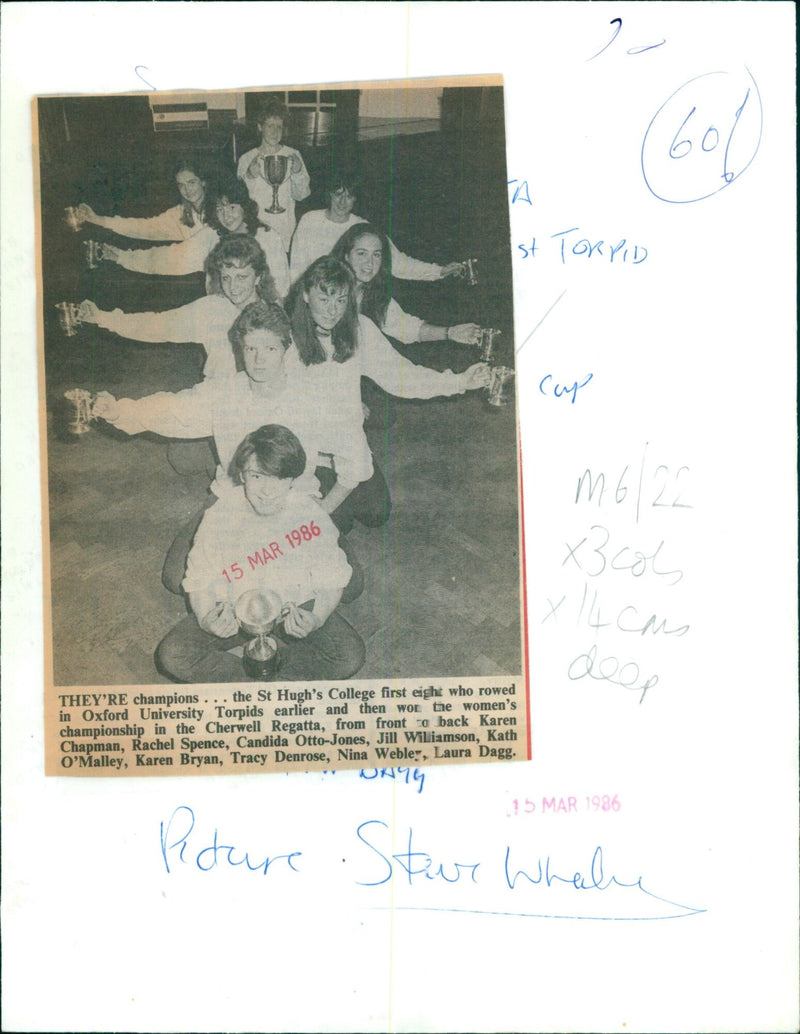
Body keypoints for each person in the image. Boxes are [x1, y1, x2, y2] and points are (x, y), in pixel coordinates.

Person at [90, 302, 323, 591]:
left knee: (297, 579)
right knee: (177, 578)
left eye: (270, 349)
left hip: (289, 502)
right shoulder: (225, 392)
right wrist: (118, 411)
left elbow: (334, 460)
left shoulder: (308, 399)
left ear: (285, 349)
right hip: (234, 497)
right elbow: (173, 408)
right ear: (240, 350)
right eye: (251, 349)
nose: (259, 360)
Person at [287, 257, 491, 534]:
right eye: (324, 299)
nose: (333, 311)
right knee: (338, 524)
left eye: (341, 300)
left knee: (376, 513)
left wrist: (460, 381)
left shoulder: (358, 330)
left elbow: (403, 378)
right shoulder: (285, 338)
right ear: (305, 294)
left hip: (347, 447)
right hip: (306, 451)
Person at [154, 424, 366, 684]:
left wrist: (317, 618)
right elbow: (199, 580)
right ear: (242, 475)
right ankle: (252, 688)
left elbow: (332, 579)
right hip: (234, 610)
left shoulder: (310, 516)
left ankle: (281, 678)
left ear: (291, 479)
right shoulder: (218, 516)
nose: (267, 491)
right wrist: (207, 618)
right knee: (173, 655)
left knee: (349, 656)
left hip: (293, 608)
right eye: (257, 476)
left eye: (277, 478)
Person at [78, 236, 280, 381]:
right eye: (226, 278)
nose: (233, 287)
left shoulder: (275, 317)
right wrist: (101, 317)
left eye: (241, 277)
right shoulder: (211, 309)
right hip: (221, 401)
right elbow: (156, 325)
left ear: (259, 277)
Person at [98, 176, 290, 300]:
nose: (226, 215)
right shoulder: (212, 235)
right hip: (221, 316)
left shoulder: (268, 238)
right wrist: (121, 257)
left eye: (231, 207)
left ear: (245, 207)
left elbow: (282, 289)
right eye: (220, 209)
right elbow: (169, 259)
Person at [289, 168, 464, 284]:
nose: (342, 202)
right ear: (329, 195)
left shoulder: (363, 228)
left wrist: (439, 271)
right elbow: (296, 270)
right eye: (338, 195)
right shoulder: (309, 220)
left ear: (355, 199)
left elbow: (399, 263)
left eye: (349, 196)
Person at [331, 223, 481, 345]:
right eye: (361, 253)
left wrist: (450, 333)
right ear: (346, 256)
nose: (370, 263)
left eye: (376, 255)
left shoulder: (374, 297)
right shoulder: (326, 287)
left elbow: (407, 328)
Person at [75, 158, 212, 241]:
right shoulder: (179, 214)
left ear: (203, 182)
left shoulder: (221, 208)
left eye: (192, 182)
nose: (187, 190)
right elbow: (143, 227)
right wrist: (98, 219)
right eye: (181, 185)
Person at [237, 98, 310, 252]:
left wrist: (297, 172)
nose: (275, 132)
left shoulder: (293, 155)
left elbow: (302, 195)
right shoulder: (246, 158)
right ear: (260, 127)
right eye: (270, 126)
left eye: (279, 127)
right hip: (255, 232)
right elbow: (240, 201)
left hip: (284, 230)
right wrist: (249, 176)